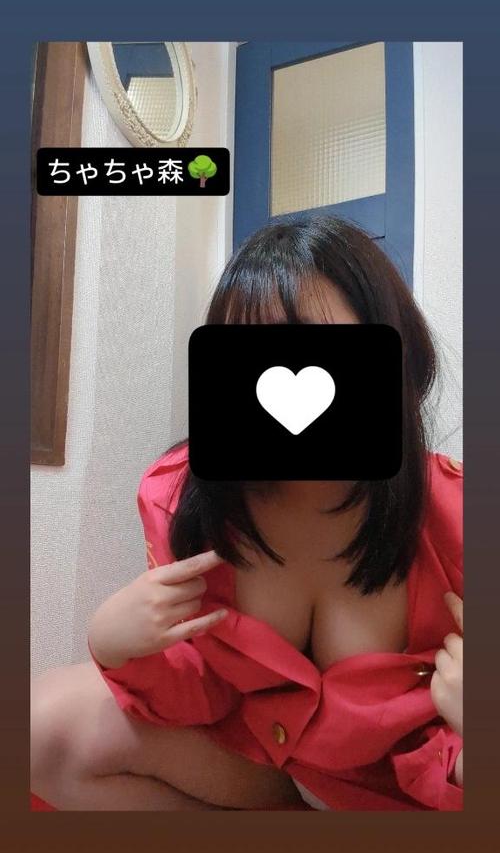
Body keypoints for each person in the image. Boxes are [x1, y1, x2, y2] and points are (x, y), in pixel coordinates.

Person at [31, 216, 463, 810]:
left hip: (403, 787)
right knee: (39, 726)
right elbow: (199, 691)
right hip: (264, 758)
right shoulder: (179, 494)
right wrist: (117, 647)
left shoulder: (458, 516)